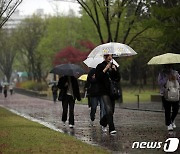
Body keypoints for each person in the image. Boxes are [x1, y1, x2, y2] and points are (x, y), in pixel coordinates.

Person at [95, 54, 120, 135]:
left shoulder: (114, 66)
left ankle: (103, 121)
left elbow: (118, 79)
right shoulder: (100, 66)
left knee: (111, 111)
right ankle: (112, 128)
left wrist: (115, 70)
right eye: (108, 56)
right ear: (105, 57)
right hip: (104, 91)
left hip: (112, 91)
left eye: (111, 56)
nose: (110, 57)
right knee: (108, 109)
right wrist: (105, 69)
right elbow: (98, 78)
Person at [158, 64, 180, 131]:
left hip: (175, 93)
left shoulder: (175, 72)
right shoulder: (162, 74)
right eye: (167, 66)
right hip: (165, 93)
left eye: (169, 66)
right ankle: (168, 124)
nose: (168, 67)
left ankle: (172, 120)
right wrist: (167, 79)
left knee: (176, 109)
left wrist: (176, 78)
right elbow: (160, 83)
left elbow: (179, 81)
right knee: (167, 110)